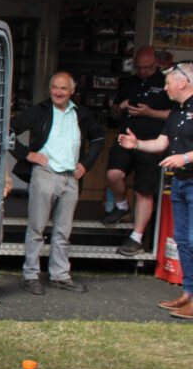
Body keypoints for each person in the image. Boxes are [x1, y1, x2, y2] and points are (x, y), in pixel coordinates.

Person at [10, 71, 105, 295]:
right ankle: (30, 275)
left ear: (72, 91)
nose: (58, 92)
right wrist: (27, 154)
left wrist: (86, 163)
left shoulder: (81, 113)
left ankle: (60, 275)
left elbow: (99, 138)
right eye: (54, 87)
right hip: (45, 174)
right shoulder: (40, 111)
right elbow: (8, 130)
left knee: (63, 231)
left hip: (71, 178)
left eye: (63, 88)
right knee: (37, 227)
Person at [118, 62, 193, 319]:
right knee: (183, 241)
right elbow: (162, 143)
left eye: (169, 82)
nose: (165, 87)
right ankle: (188, 293)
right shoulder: (175, 113)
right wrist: (136, 143)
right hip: (181, 184)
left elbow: (183, 153)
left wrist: (186, 157)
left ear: (183, 83)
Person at [103, 46, 175, 256]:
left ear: (156, 64)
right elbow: (114, 113)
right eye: (140, 67)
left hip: (152, 142)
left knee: (144, 191)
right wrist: (122, 105)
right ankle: (121, 205)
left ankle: (136, 238)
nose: (143, 71)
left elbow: (174, 114)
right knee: (113, 174)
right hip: (125, 138)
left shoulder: (165, 83)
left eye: (148, 67)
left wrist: (149, 112)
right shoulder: (128, 82)